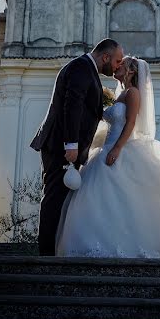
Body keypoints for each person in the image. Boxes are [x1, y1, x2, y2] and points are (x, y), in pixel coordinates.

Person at [55, 55, 160, 258]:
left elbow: (131, 123)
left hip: (120, 149)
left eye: (120, 65)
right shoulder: (121, 94)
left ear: (130, 71)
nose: (116, 67)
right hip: (106, 148)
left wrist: (116, 149)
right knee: (99, 199)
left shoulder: (133, 93)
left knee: (121, 200)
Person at [29, 39, 124, 256]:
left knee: (60, 198)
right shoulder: (81, 67)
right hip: (60, 146)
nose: (118, 65)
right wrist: (71, 145)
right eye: (117, 60)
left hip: (66, 146)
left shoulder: (87, 69)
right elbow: (72, 106)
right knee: (54, 197)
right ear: (105, 57)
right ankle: (46, 255)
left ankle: (52, 250)